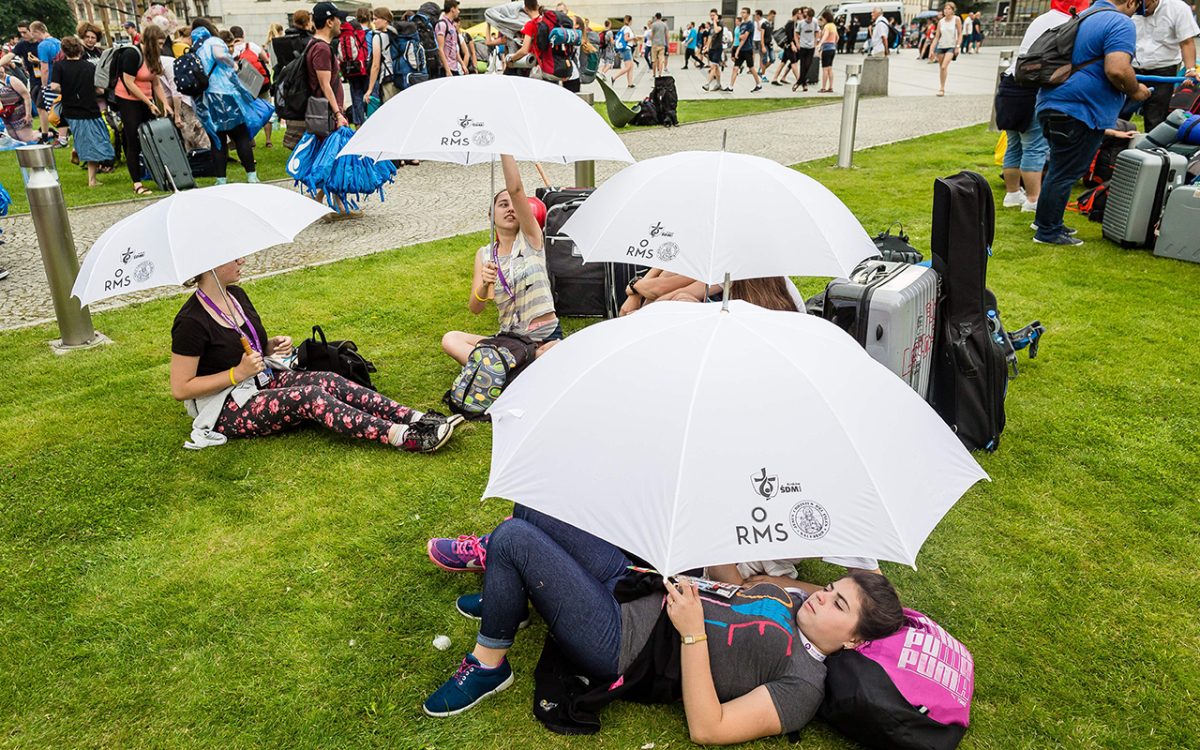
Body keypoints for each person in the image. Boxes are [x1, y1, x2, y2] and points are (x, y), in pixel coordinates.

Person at [421, 503, 906, 729]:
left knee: (513, 540)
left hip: (623, 642)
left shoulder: (802, 685)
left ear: (854, 641)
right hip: (640, 584)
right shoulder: (796, 603)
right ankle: (510, 602)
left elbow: (710, 727)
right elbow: (734, 584)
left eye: (838, 604)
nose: (823, 598)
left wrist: (693, 635)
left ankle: (489, 665)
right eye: (831, 590)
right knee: (533, 507)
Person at [170, 259, 455, 452]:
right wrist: (237, 374)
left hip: (259, 381)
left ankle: (416, 417)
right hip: (226, 407)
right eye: (234, 257)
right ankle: (403, 437)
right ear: (211, 264)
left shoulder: (236, 295)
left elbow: (238, 346)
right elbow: (181, 388)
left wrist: (268, 347)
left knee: (328, 379)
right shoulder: (191, 322)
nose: (242, 260)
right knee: (309, 397)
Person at [1034, 0, 1151, 245]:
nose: (1136, 13)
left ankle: (1048, 222)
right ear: (1130, 2)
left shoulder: (1086, 15)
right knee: (1065, 172)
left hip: (1053, 102)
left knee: (1059, 168)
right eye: (1137, 8)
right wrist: (1136, 91)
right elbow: (1118, 69)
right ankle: (1047, 231)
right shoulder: (1120, 22)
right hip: (1079, 109)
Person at [440, 153, 560, 364]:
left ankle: (500, 366)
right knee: (451, 339)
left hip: (544, 335)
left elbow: (516, 189)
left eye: (514, 205)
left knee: (555, 349)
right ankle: (518, 364)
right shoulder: (485, 254)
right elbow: (475, 308)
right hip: (509, 340)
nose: (511, 208)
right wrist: (485, 284)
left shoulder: (531, 238)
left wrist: (505, 148)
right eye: (503, 205)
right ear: (491, 216)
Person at [190, 19, 259, 186]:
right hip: (225, 93)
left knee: (218, 140)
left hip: (206, 98)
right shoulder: (213, 41)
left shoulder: (195, 48)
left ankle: (221, 179)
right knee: (240, 135)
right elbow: (220, 55)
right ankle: (251, 176)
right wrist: (233, 65)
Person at [113, 26, 171, 195]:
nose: (162, 47)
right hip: (128, 100)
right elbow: (128, 82)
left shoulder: (154, 57)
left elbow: (156, 83)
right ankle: (137, 183)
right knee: (133, 139)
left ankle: (157, 173)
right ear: (151, 42)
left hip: (146, 99)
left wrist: (165, 104)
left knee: (151, 136)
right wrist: (148, 103)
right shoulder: (132, 54)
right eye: (159, 43)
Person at [49, 36, 114, 187]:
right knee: (95, 142)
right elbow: (99, 89)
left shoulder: (59, 66)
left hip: (70, 109)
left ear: (63, 50)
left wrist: (68, 90)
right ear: (80, 49)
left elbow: (54, 87)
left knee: (84, 137)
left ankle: (77, 150)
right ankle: (92, 180)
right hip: (89, 108)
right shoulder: (89, 67)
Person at [1132, 0, 1200, 131]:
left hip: (1163, 70)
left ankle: (1151, 143)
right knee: (1118, 114)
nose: (1141, 10)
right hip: (1130, 69)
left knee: (1155, 119)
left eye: (1146, 7)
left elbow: (1186, 42)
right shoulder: (1127, 6)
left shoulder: (1178, 8)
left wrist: (1190, 69)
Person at [30, 22, 67, 147]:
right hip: (61, 80)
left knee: (47, 110)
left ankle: (50, 137)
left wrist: (44, 85)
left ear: (37, 31)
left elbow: (45, 68)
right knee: (57, 109)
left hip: (51, 82)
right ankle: (59, 135)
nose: (33, 37)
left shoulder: (42, 45)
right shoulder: (58, 42)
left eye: (33, 34)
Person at [365, 7, 396, 107]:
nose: (373, 22)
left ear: (385, 20)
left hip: (387, 78)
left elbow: (376, 65)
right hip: (400, 76)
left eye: (376, 19)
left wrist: (370, 89)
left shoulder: (378, 37)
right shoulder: (396, 34)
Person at [930, 3, 962, 96]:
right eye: (945, 9)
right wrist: (931, 49)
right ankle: (942, 88)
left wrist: (958, 46)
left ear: (952, 10)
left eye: (949, 9)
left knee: (944, 66)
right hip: (941, 46)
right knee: (942, 68)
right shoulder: (941, 22)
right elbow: (937, 37)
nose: (946, 11)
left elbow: (960, 34)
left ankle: (942, 89)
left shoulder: (956, 19)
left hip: (951, 46)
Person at [730, 7, 763, 92]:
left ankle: (758, 84)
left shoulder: (750, 24)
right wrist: (738, 48)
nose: (742, 14)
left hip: (747, 49)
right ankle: (730, 87)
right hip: (741, 49)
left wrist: (738, 49)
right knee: (735, 68)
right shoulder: (741, 25)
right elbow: (741, 37)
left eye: (744, 12)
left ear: (748, 14)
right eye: (741, 12)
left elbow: (744, 37)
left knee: (751, 67)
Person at [0, 69, 35, 143]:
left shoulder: (12, 80)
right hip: (6, 116)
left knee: (27, 140)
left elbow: (26, 96)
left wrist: (28, 114)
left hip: (20, 114)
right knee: (15, 140)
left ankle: (49, 134)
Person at [437, 0, 464, 79]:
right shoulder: (442, 24)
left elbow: (454, 47)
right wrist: (447, 70)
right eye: (457, 9)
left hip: (454, 68)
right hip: (446, 69)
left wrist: (462, 64)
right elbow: (440, 49)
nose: (458, 11)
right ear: (452, 9)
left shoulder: (452, 25)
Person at [610, 14, 636, 87]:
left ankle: (630, 83)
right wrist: (634, 37)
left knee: (631, 66)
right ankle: (614, 77)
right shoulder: (627, 28)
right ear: (630, 21)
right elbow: (626, 39)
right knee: (628, 67)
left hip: (626, 48)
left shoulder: (623, 28)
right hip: (626, 48)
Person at [703, 10, 726, 91]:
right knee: (716, 67)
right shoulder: (712, 25)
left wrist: (715, 21)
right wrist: (706, 46)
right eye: (711, 15)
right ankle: (718, 84)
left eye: (713, 15)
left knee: (713, 67)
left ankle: (707, 84)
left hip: (718, 48)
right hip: (712, 49)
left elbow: (716, 31)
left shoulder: (720, 24)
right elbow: (710, 37)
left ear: (717, 15)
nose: (712, 17)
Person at [817, 10, 838, 93]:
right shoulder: (833, 26)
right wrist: (834, 43)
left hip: (826, 49)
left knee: (825, 69)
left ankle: (823, 87)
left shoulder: (827, 26)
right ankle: (831, 87)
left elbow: (825, 35)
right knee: (830, 68)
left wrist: (820, 44)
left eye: (823, 19)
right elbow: (837, 37)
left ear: (825, 18)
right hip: (833, 48)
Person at [650, 12, 669, 77]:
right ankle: (660, 74)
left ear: (656, 17)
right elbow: (667, 35)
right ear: (661, 17)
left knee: (654, 60)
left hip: (654, 44)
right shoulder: (664, 25)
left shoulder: (653, 25)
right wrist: (667, 43)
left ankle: (654, 74)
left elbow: (652, 35)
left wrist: (651, 40)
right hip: (662, 44)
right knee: (661, 60)